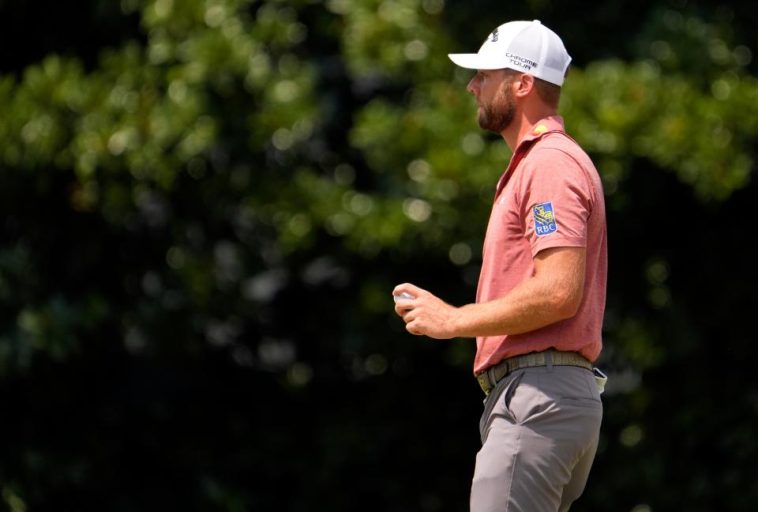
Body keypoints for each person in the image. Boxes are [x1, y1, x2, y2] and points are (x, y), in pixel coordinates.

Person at [393, 20, 608, 512]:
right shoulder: (538, 164)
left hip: (537, 396)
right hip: (538, 395)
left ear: (522, 84)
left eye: (484, 75)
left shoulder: (549, 164)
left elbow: (558, 293)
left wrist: (452, 320)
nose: (473, 85)